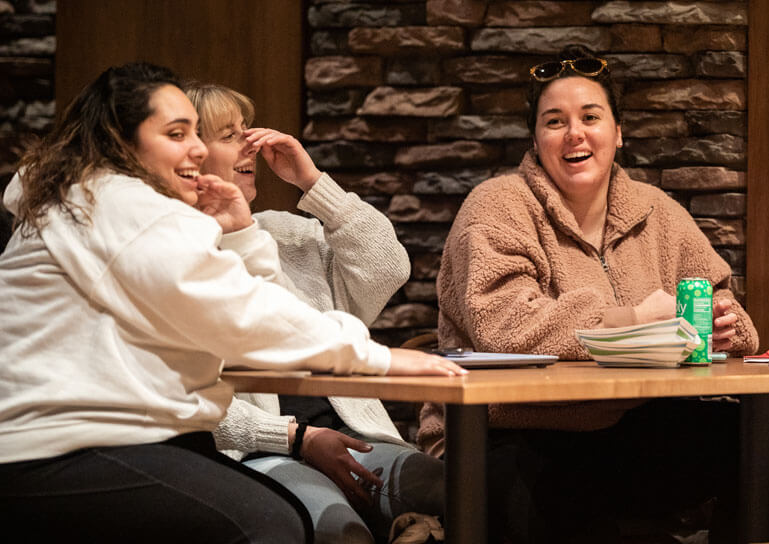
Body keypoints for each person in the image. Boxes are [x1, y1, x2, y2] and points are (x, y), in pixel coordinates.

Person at [0, 63, 464, 543]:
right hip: (54, 447)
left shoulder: (100, 202)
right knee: (275, 524)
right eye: (179, 134)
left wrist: (245, 235)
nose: (197, 148)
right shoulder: (119, 206)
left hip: (105, 439)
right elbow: (242, 317)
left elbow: (249, 310)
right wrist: (380, 360)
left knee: (294, 515)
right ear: (123, 142)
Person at [422, 45, 760, 542]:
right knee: (553, 497)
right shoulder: (497, 205)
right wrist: (635, 319)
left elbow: (730, 310)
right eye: (554, 121)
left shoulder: (658, 211)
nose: (574, 133)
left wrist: (730, 330)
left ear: (618, 133)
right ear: (536, 140)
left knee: (757, 444)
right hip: (505, 433)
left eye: (590, 117)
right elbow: (502, 324)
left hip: (625, 423)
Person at [185, 83, 445, 544]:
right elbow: (192, 405)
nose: (250, 143)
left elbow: (390, 268)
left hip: (358, 435)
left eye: (248, 129)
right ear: (189, 155)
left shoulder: (286, 233)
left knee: (457, 494)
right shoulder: (177, 255)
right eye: (229, 135)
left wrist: (314, 184)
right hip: (261, 452)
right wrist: (297, 437)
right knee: (336, 528)